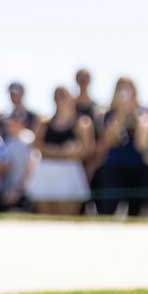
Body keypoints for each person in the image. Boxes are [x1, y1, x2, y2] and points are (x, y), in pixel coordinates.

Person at [27, 86, 93, 215]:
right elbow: (37, 146)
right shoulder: (44, 122)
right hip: (46, 173)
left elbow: (86, 150)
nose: (60, 99)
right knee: (45, 219)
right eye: (57, 96)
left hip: (70, 173)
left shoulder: (82, 122)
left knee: (67, 218)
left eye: (63, 95)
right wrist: (65, 152)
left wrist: (53, 152)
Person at [93, 77, 148, 217]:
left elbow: (142, 144)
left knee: (135, 213)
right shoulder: (108, 114)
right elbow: (110, 140)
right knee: (107, 210)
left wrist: (134, 112)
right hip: (113, 167)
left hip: (137, 168)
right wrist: (121, 113)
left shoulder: (143, 114)